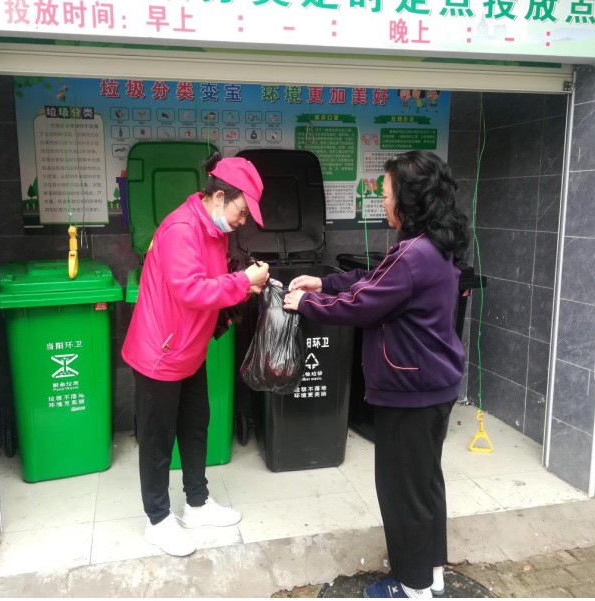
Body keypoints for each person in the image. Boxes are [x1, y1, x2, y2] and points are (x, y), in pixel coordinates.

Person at [284, 150, 469, 598]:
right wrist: (325, 282)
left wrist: (306, 303)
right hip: (432, 385)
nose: (382, 201)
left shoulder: (414, 254)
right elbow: (377, 281)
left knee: (401, 490)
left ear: (408, 198)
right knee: (424, 484)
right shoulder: (431, 245)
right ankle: (430, 574)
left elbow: (364, 304)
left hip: (411, 390)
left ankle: (412, 586)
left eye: (386, 194)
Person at [121, 152, 270, 557]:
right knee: (157, 440)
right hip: (160, 352)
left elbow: (211, 282)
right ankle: (157, 520)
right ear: (219, 197)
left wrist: (244, 284)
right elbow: (190, 290)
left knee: (195, 425)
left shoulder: (214, 230)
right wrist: (241, 281)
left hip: (189, 348)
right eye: (242, 212)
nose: (242, 222)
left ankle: (197, 504)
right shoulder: (181, 229)